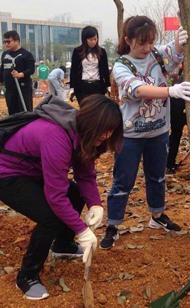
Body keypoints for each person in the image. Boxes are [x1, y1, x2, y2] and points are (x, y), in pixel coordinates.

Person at [0, 94, 123, 300]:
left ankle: (62, 245)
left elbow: (85, 174)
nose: (107, 135)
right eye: (104, 129)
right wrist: (82, 230)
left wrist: (95, 204)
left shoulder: (83, 133)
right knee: (51, 216)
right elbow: (55, 196)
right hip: (7, 174)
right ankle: (27, 275)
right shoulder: (55, 135)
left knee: (75, 194)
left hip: (33, 171)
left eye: (112, 130)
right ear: (91, 121)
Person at [100, 15, 190, 249]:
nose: (147, 47)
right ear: (128, 40)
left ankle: (157, 215)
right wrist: (170, 91)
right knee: (123, 180)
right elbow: (138, 89)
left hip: (158, 131)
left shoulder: (156, 54)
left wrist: (182, 40)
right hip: (130, 135)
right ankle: (113, 224)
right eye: (141, 43)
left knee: (157, 176)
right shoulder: (122, 65)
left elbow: (173, 51)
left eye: (151, 42)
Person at [70, 26, 110, 104]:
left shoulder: (102, 52)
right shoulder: (77, 51)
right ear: (85, 39)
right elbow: (73, 70)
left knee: (97, 109)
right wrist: (72, 88)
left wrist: (108, 85)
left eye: (95, 39)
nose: (93, 42)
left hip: (98, 86)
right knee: (85, 110)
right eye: (90, 39)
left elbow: (105, 70)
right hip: (82, 86)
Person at [0, 30, 35, 114]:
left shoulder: (26, 54)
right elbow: (2, 69)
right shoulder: (5, 54)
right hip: (9, 89)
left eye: (8, 41)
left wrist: (20, 74)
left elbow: (31, 69)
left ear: (17, 41)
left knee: (25, 110)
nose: (6, 44)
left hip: (23, 88)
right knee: (12, 111)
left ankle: (26, 126)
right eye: (4, 42)